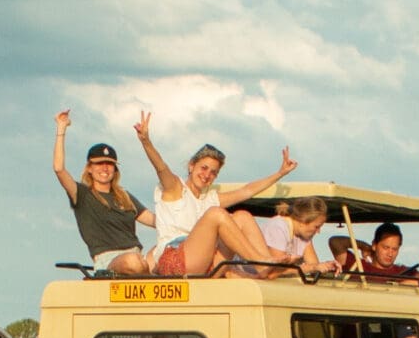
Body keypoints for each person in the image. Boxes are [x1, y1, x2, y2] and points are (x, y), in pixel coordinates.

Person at [133, 112, 296, 277]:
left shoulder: (209, 198)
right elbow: (161, 167)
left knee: (242, 216)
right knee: (216, 214)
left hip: (205, 262)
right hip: (175, 260)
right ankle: (261, 262)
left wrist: (280, 173)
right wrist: (146, 141)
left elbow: (247, 191)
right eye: (203, 168)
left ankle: (265, 268)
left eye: (213, 172)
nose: (207, 175)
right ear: (191, 166)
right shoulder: (175, 188)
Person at [49, 110, 154, 276]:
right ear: (89, 168)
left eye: (109, 164)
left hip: (139, 257)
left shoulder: (124, 196)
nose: (104, 168)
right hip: (110, 260)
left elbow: (155, 220)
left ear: (115, 169)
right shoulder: (82, 194)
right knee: (133, 261)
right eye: (99, 164)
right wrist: (61, 128)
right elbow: (59, 169)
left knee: (169, 249)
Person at [355, 223, 419, 284]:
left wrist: (399, 286)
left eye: (394, 249)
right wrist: (362, 245)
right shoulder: (359, 266)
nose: (390, 254)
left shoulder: (403, 272)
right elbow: (342, 243)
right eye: (386, 248)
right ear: (374, 245)